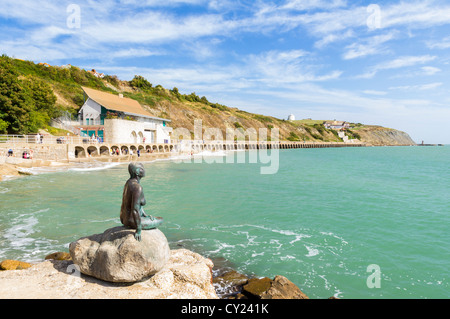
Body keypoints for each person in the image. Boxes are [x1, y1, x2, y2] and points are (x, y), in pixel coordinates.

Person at [120, 163, 163, 241]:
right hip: (132, 221)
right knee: (160, 220)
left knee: (152, 218)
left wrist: (144, 214)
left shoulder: (128, 182)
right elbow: (135, 210)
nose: (144, 170)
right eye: (142, 168)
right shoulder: (137, 188)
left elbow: (132, 205)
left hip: (125, 220)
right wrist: (138, 229)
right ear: (137, 172)